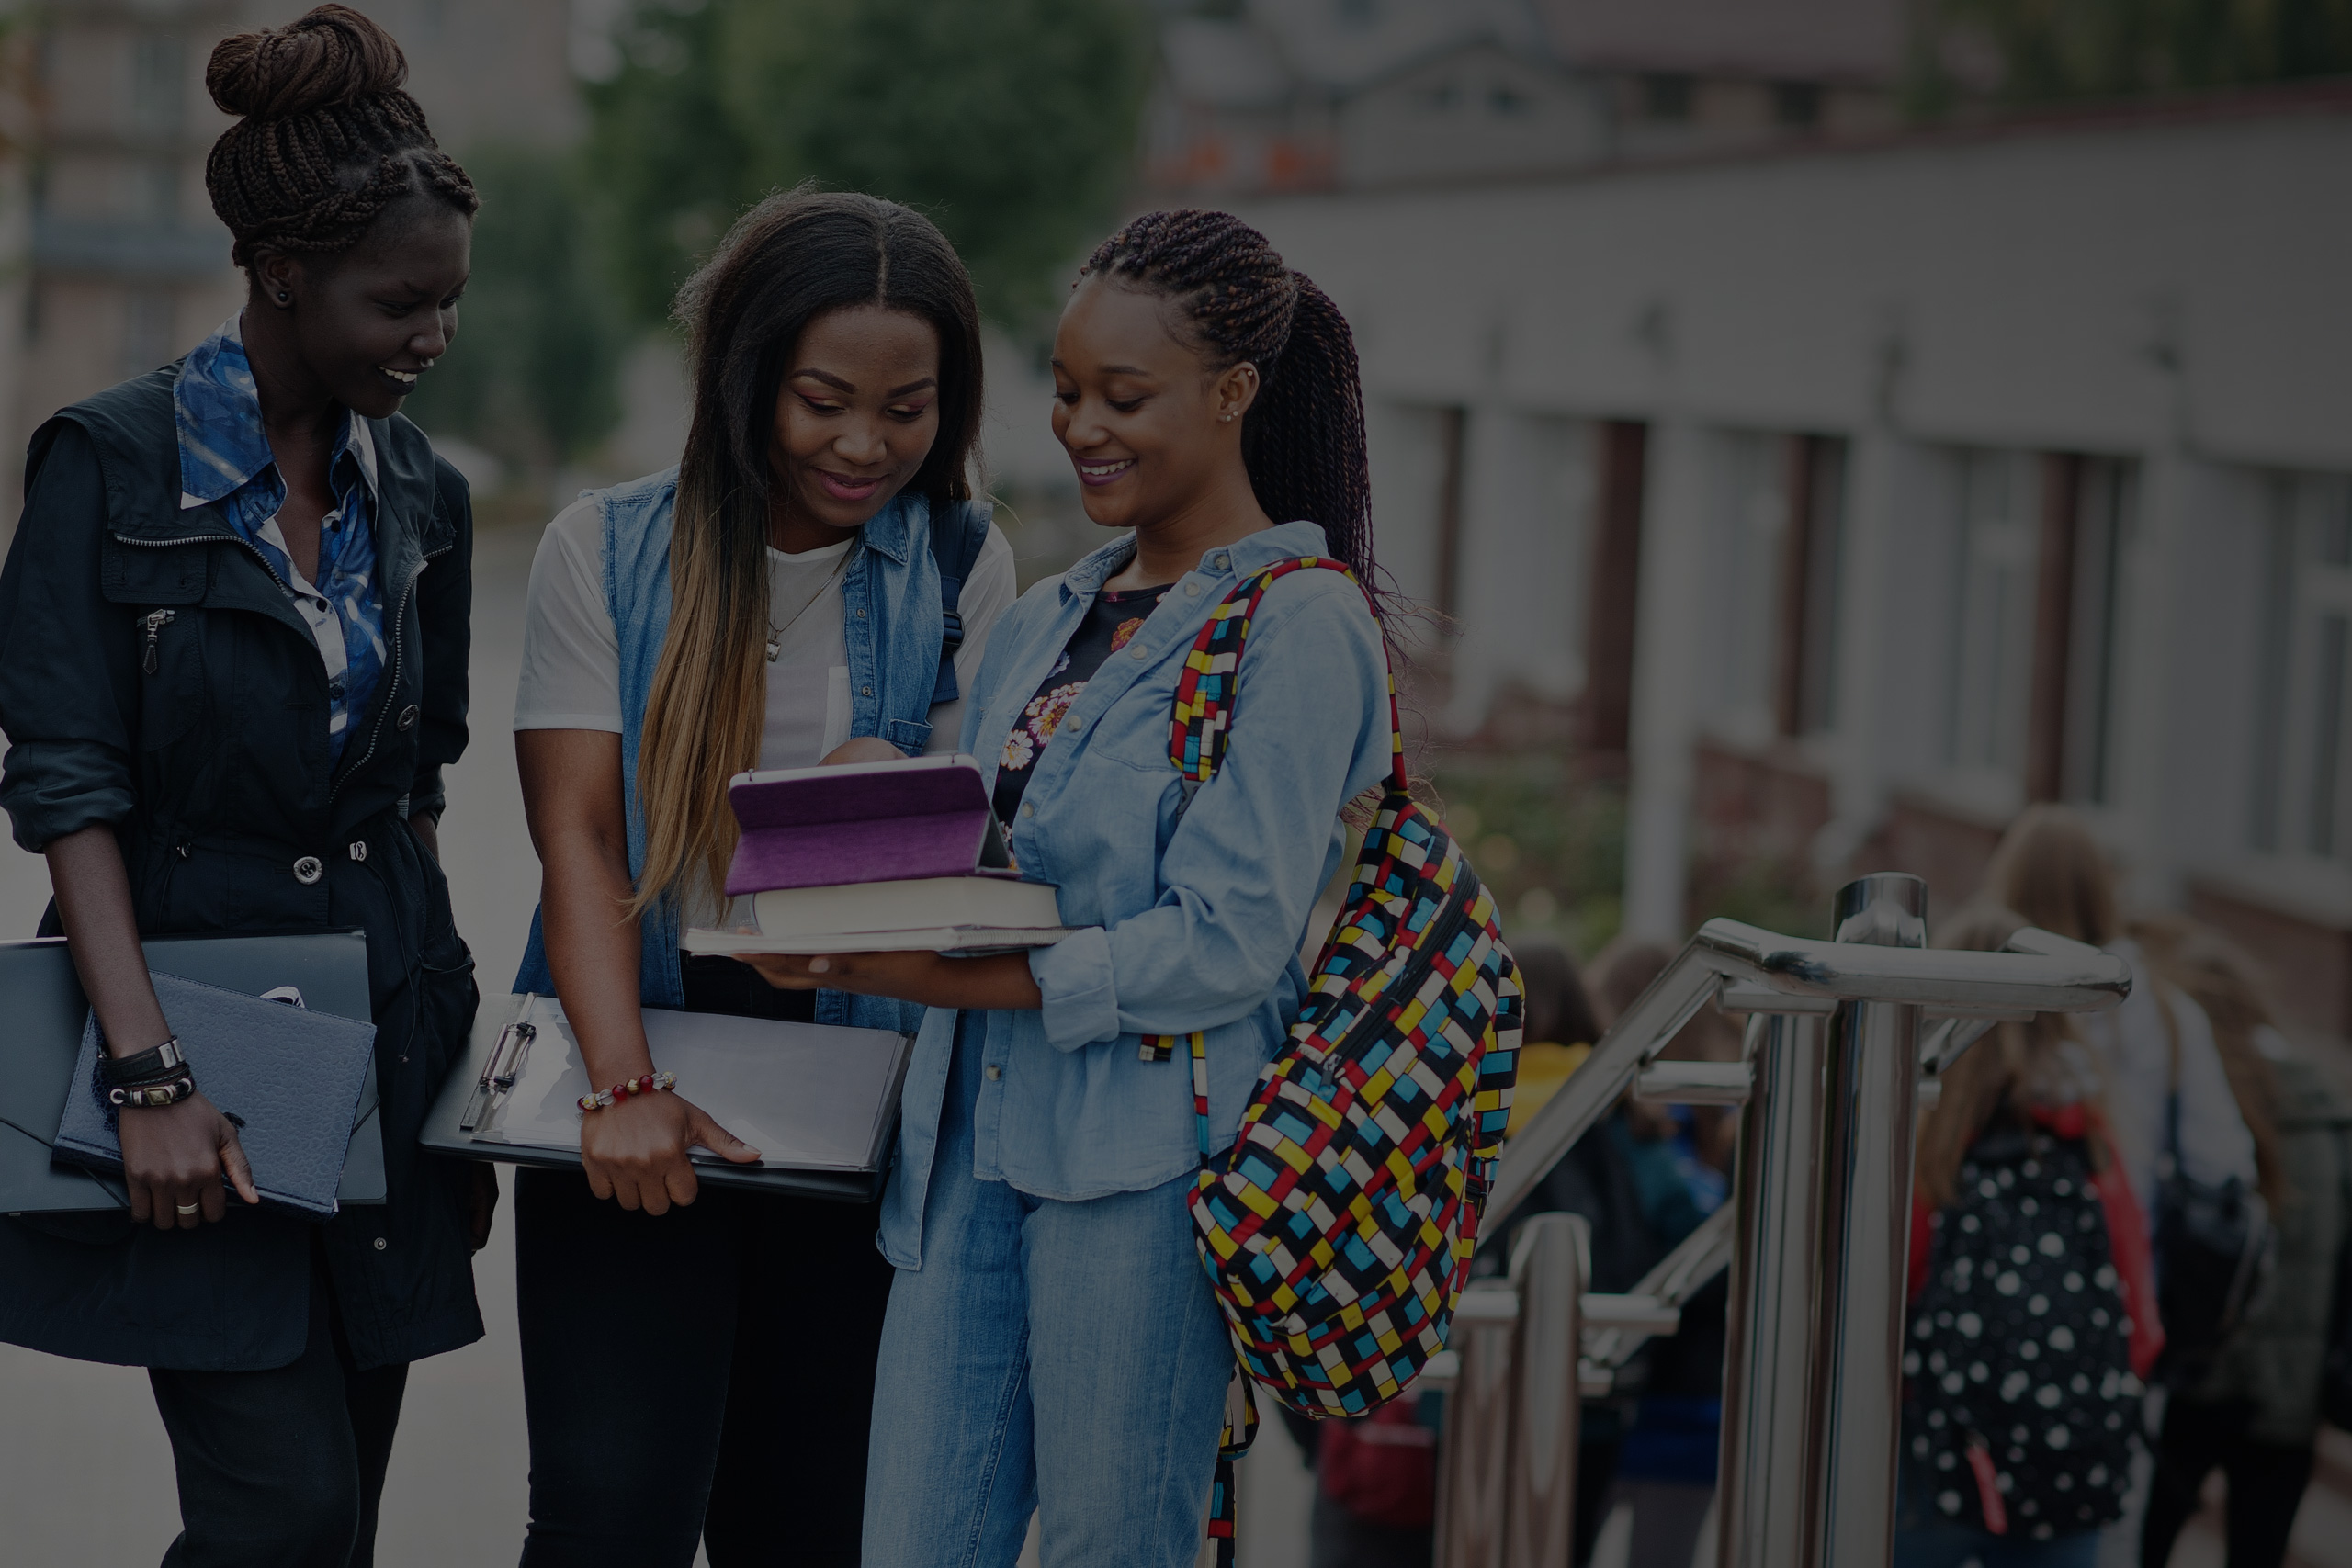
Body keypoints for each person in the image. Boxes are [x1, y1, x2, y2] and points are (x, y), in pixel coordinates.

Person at [733, 209, 1397, 1566]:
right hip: (963, 1152)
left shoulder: (1302, 624)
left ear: (1232, 394)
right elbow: (996, 858)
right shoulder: (1045, 614)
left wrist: (923, 972)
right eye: (1070, 389)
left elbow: (1224, 943)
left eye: (1125, 396)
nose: (1082, 425)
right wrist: (870, 837)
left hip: (1145, 1170)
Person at [0, 8, 487, 1563]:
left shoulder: (422, 493)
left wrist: (451, 1037)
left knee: (337, 1516)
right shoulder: (110, 461)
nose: (433, 337)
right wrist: (143, 1076)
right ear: (280, 272)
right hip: (191, 1054)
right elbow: (67, 783)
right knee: (280, 1518)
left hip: (388, 1060)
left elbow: (418, 777)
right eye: (398, 302)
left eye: (449, 304)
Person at [507, 188, 1014, 1566]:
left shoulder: (966, 560)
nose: (865, 443)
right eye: (824, 399)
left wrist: (880, 797)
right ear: (746, 379)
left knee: (807, 1528)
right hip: (635, 1051)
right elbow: (582, 840)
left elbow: (973, 852)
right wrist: (619, 1090)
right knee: (609, 1522)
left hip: (861, 1096)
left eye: (908, 407)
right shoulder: (603, 550)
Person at [1897, 903, 2160, 1568]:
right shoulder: (2090, 1140)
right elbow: (2142, 1325)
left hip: (1936, 1456)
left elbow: (1893, 1285)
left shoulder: (1924, 1139)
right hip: (2065, 1467)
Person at [2133, 921, 2351, 1568]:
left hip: (2201, 1378)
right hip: (2292, 1398)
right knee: (2260, 1553)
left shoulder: (2205, 1104)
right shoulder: (2330, 1110)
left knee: (2150, 1543)